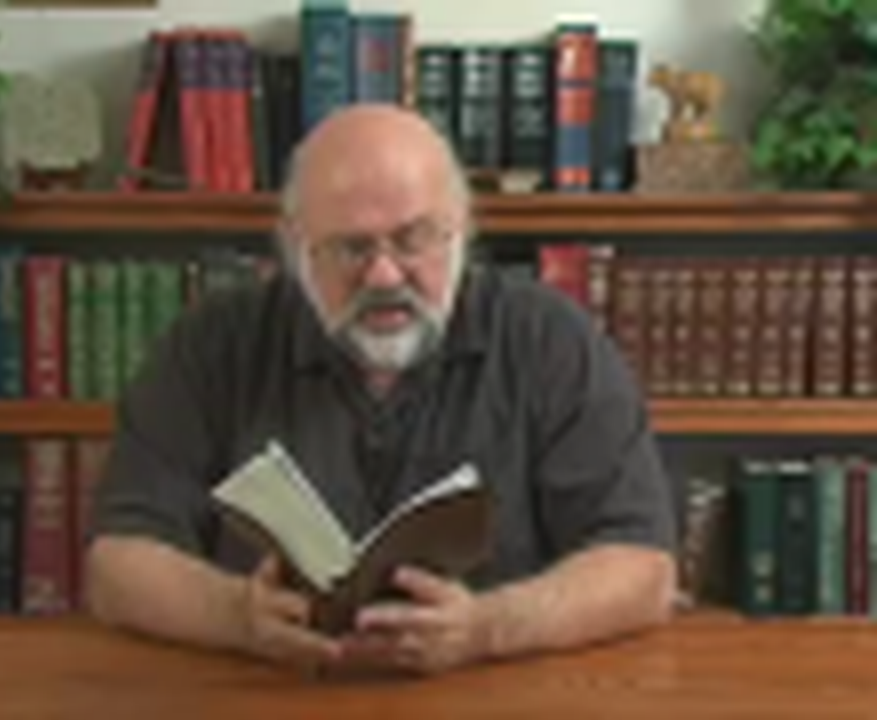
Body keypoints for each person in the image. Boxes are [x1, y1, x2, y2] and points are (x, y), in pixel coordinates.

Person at [84, 104, 678, 676]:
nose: (385, 275)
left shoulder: (550, 340)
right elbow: (117, 564)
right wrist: (237, 616)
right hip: (267, 694)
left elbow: (642, 568)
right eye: (351, 247)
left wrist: (487, 628)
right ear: (296, 247)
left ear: (462, 231)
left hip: (497, 696)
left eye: (414, 239)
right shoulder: (213, 343)